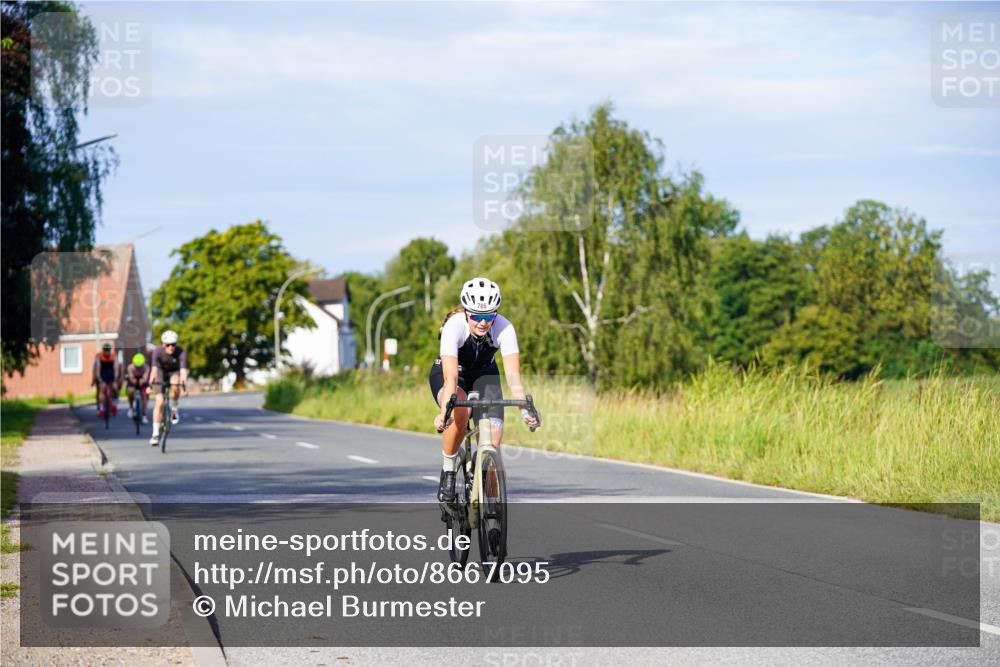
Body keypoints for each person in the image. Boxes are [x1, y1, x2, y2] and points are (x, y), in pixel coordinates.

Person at [429, 277, 539, 504]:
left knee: (493, 442)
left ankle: (489, 503)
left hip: (484, 377)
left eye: (488, 316)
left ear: (495, 314)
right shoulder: (454, 326)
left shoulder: (505, 328)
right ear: (467, 313)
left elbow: (513, 376)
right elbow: (450, 379)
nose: (482, 322)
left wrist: (525, 410)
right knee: (460, 409)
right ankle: (449, 469)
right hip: (453, 374)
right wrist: (443, 413)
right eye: (477, 316)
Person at [148, 330, 189, 446]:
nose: (171, 347)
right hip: (160, 372)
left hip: (174, 372)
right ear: (162, 344)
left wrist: (184, 386)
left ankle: (174, 408)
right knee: (159, 402)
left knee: (176, 383)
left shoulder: (181, 352)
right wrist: (149, 384)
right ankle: (155, 434)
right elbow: (154, 370)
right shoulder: (157, 351)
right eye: (168, 345)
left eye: (173, 344)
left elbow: (183, 371)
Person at [91, 342, 122, 417]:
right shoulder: (99, 356)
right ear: (103, 350)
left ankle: (114, 405)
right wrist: (99, 379)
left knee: (115, 387)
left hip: (111, 373)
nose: (107, 351)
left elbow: (116, 368)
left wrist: (115, 378)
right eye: (105, 350)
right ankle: (102, 409)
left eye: (108, 350)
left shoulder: (114, 356)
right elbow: (97, 368)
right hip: (103, 373)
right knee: (102, 389)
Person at [125, 352, 151, 423]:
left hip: (143, 382)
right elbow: (131, 378)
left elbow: (145, 378)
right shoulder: (130, 367)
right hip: (133, 381)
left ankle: (144, 415)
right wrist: (135, 382)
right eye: (137, 366)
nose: (138, 368)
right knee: (130, 391)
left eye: (140, 366)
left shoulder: (146, 367)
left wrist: (141, 382)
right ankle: (131, 407)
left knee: (145, 396)